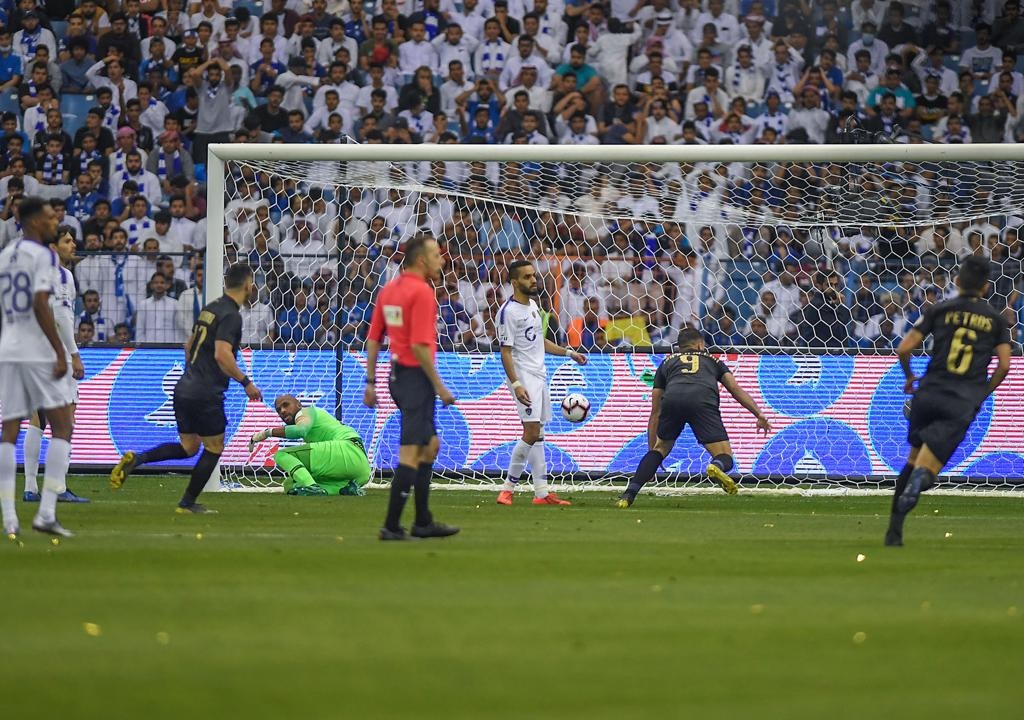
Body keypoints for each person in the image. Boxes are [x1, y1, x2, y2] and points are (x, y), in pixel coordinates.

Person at [109, 263, 264, 514]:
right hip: (205, 392)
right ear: (248, 284)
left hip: (184, 388)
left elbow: (188, 345)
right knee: (214, 448)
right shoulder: (231, 315)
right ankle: (187, 503)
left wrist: (192, 372)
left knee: (189, 448)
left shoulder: (210, 308)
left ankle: (139, 459)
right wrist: (246, 382)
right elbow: (222, 355)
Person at [886, 256, 1012, 547]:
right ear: (986, 286)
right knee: (927, 468)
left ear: (957, 281)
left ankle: (894, 532)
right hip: (961, 400)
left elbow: (904, 348)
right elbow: (1004, 365)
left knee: (913, 458)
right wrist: (984, 391)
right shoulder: (995, 320)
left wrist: (908, 377)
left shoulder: (939, 309)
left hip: (928, 393)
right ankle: (919, 484)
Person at [364, 234, 459, 541]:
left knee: (430, 446)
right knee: (410, 454)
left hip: (397, 376)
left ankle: (422, 521)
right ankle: (391, 526)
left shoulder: (390, 291)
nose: (442, 260)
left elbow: (374, 337)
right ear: (421, 260)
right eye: (437, 256)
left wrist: (370, 381)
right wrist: (440, 387)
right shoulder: (422, 293)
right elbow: (419, 347)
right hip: (416, 377)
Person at [617, 328, 772, 508]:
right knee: (724, 455)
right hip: (702, 400)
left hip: (672, 399)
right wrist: (758, 413)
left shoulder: (666, 363)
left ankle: (628, 495)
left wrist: (652, 452)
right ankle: (717, 466)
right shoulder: (713, 360)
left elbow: (655, 412)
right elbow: (735, 389)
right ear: (700, 344)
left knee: (660, 449)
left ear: (679, 347)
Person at [0, 197, 77, 538]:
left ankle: (9, 516)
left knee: (10, 430)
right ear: (33, 222)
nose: (53, 220)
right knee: (63, 425)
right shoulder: (44, 255)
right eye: (48, 216)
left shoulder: (5, 255)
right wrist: (60, 351)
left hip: (9, 346)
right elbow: (40, 302)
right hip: (37, 348)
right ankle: (46, 512)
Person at [495, 260, 585, 506]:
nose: (533, 280)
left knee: (539, 434)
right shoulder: (508, 312)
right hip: (523, 378)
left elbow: (540, 343)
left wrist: (569, 353)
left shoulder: (534, 306)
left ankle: (541, 493)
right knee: (531, 432)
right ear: (515, 282)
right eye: (527, 277)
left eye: (533, 276)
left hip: (539, 375)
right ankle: (507, 489)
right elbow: (505, 352)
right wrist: (516, 384)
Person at [23, 226, 89, 504]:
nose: (73, 245)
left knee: (38, 419)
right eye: (67, 241)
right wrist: (73, 354)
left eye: (73, 240)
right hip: (55, 355)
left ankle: (30, 487)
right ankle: (58, 487)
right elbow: (61, 317)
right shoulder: (62, 275)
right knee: (66, 422)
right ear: (53, 247)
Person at [248, 395, 372, 496]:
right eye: (279, 410)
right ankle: (345, 490)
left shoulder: (306, 411)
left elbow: (300, 430)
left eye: (286, 405)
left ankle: (312, 487)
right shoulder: (314, 420)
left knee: (282, 454)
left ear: (299, 405)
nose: (283, 411)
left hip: (347, 449)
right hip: (361, 472)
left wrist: (266, 433)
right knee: (291, 485)